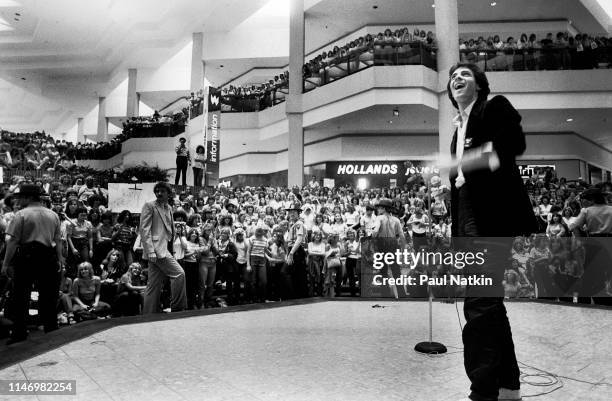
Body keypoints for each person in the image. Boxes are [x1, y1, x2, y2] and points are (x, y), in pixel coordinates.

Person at [446, 62, 537, 401]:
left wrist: (464, 162)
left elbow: (512, 145)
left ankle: (482, 392)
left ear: (480, 84)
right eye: (453, 76)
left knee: (480, 305)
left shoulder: (494, 106)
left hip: (494, 217)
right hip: (469, 217)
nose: (458, 78)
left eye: (465, 74)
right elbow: (459, 190)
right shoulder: (457, 129)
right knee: (490, 305)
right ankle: (508, 387)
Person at [2, 184, 64, 344]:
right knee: (48, 295)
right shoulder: (53, 215)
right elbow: (57, 240)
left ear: (29, 198)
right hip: (48, 255)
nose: (19, 200)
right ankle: (51, 328)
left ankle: (20, 333)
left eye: (21, 197)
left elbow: (13, 241)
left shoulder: (21, 214)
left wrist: (6, 263)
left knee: (21, 295)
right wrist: (59, 259)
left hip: (27, 255)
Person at [140, 182, 187, 313]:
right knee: (179, 274)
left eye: (162, 191)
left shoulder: (169, 208)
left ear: (168, 193)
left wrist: (170, 248)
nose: (159, 193)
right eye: (157, 191)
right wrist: (150, 251)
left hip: (165, 248)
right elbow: (144, 230)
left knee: (153, 285)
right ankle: (177, 308)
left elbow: (169, 230)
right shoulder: (149, 206)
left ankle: (148, 314)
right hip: (156, 250)